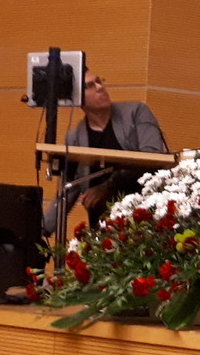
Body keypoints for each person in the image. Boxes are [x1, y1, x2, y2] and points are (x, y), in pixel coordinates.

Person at [42, 67, 169, 234]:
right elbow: (70, 189)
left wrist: (108, 187)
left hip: (145, 216)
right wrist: (42, 230)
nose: (100, 87)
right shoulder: (74, 138)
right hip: (102, 225)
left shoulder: (136, 112)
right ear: (76, 98)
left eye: (99, 81)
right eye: (90, 86)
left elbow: (152, 158)